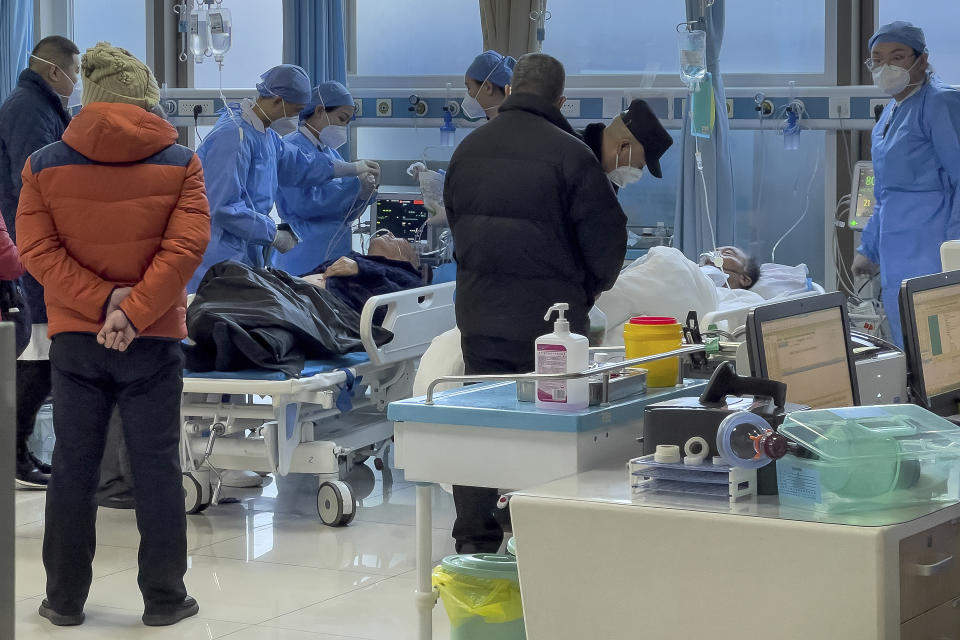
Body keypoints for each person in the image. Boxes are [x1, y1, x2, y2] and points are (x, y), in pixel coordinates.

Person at [16, 42, 210, 627]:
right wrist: (135, 308)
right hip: (152, 339)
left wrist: (102, 302)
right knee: (155, 466)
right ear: (146, 100)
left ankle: (64, 599)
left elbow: (36, 251)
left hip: (77, 339)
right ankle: (164, 598)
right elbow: (186, 246)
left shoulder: (44, 165)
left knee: (74, 465)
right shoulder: (181, 162)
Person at [443, 53, 627, 553]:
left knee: (479, 426)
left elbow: (459, 232)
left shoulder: (468, 151)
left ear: (510, 89)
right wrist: (581, 292)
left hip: (480, 317)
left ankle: (475, 544)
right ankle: (543, 542)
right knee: (550, 431)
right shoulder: (571, 157)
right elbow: (607, 247)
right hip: (553, 326)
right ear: (560, 100)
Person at [188, 64, 379, 292]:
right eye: (295, 110)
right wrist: (273, 234)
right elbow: (223, 208)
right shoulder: (233, 137)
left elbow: (301, 165)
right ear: (277, 100)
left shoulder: (266, 136)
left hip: (244, 253)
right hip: (217, 256)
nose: (296, 118)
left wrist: (348, 168)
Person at [0, 35, 81, 488]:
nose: (77, 82)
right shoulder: (29, 108)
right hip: (31, 250)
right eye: (75, 72)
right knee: (37, 358)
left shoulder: (39, 104)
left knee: (42, 357)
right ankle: (13, 453)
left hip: (35, 246)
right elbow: (36, 182)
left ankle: (17, 450)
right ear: (55, 71)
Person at [852, 21, 960, 347]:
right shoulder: (892, 112)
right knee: (910, 349)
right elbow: (885, 192)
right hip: (898, 256)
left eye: (897, 57)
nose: (886, 66)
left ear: (921, 60)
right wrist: (869, 248)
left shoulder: (941, 103)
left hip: (936, 250)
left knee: (941, 352)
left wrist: (955, 251)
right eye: (878, 58)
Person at [274, 81, 379, 275]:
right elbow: (304, 203)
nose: (344, 127)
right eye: (341, 118)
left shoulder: (329, 152)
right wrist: (355, 186)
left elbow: (342, 210)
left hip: (333, 253)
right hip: (303, 253)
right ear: (320, 110)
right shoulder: (291, 148)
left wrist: (365, 193)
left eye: (348, 122)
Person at [579, 98, 674, 190]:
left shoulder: (602, 184)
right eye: (638, 166)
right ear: (623, 147)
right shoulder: (572, 159)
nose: (638, 174)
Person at [462, 50, 516, 120]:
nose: (468, 95)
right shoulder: (516, 118)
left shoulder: (502, 127)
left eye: (469, 88)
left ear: (488, 87)